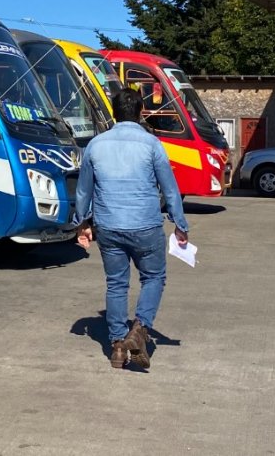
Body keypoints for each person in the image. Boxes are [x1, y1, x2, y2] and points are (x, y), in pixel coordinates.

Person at [74, 88, 189, 369]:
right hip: (145, 225)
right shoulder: (152, 144)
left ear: (114, 113)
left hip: (108, 226)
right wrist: (180, 224)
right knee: (153, 278)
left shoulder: (96, 145)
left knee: (116, 284)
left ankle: (116, 347)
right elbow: (170, 190)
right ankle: (139, 329)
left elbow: (83, 191)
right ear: (140, 113)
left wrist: (83, 223)